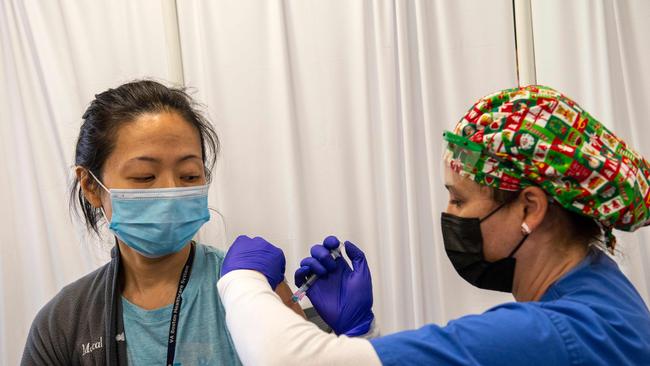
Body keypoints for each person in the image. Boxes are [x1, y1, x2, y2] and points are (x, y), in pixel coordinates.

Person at [217, 86, 650, 365]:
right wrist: (362, 335)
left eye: (460, 199)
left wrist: (241, 278)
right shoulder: (599, 289)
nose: (450, 214)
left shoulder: (556, 334)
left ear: (530, 208)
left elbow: (286, 362)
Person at [21, 80, 303, 365]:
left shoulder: (248, 288)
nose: (171, 192)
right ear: (91, 186)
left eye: (189, 175)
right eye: (144, 176)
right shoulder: (64, 324)